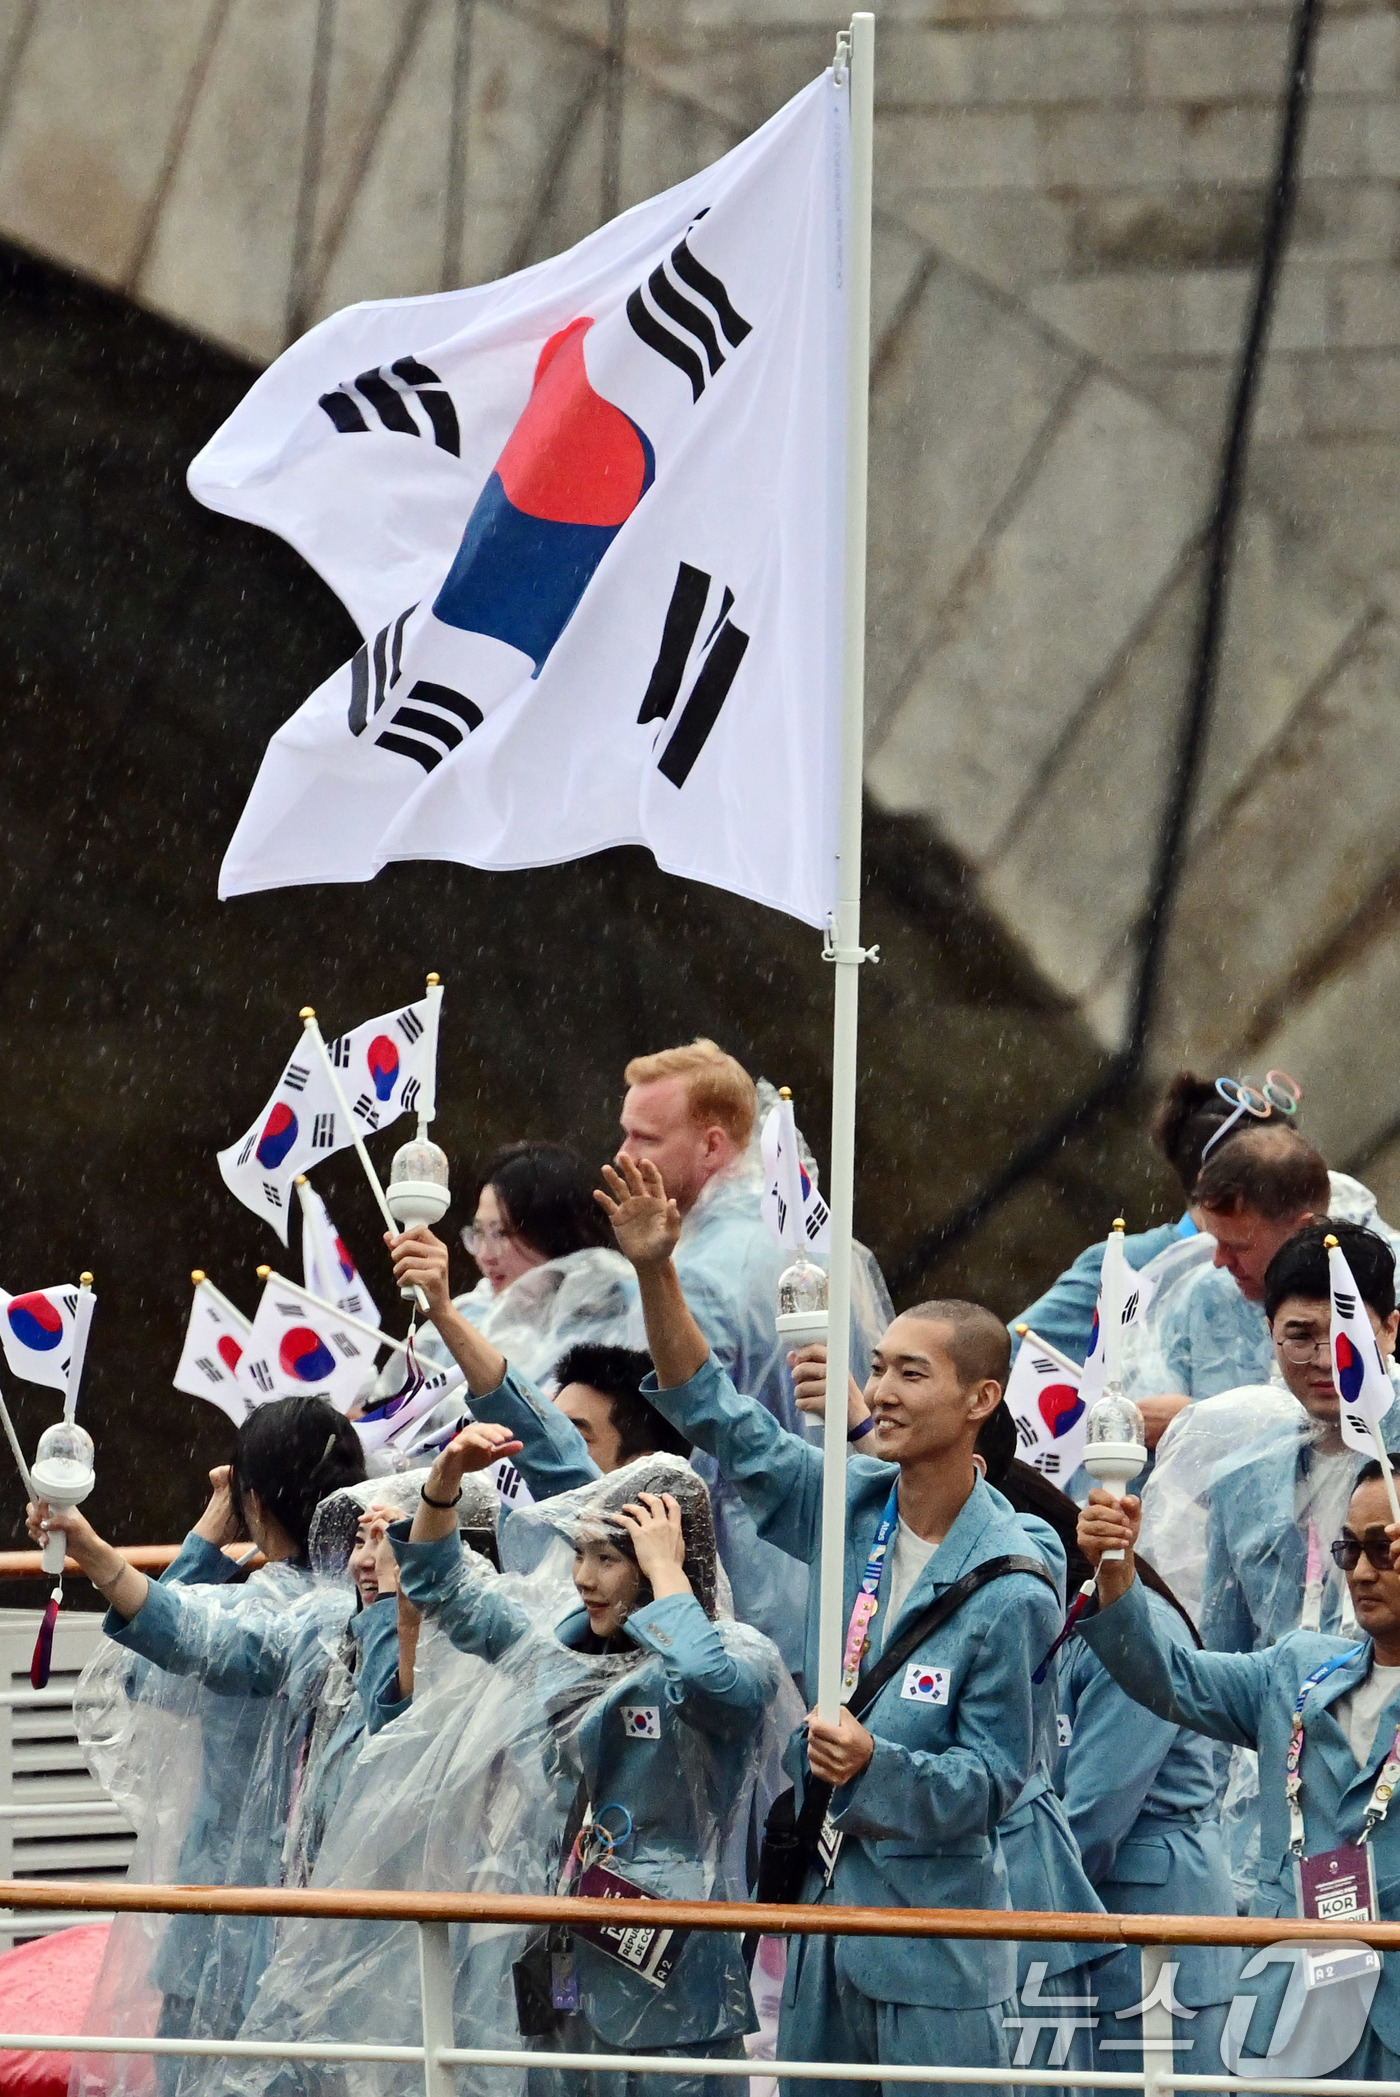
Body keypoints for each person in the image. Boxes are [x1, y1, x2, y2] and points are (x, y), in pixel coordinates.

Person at [597, 1153, 1061, 2097]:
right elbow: (720, 1415)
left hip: (934, 1950)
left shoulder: (1014, 1577)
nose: (879, 1390)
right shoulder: (852, 1506)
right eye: (878, 1365)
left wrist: (873, 1767)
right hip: (821, 1924)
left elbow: (992, 1785)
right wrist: (656, 1270)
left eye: (910, 1374)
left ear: (980, 1400)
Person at [390, 1428, 792, 2097]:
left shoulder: (735, 1650)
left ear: (664, 1556)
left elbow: (714, 1687)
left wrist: (667, 1571)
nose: (582, 1577)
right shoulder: (558, 1653)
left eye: (607, 1557)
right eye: (580, 1553)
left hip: (674, 1992)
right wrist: (444, 1482)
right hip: (564, 1971)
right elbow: (438, 1584)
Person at [61, 1397, 366, 2097]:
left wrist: (201, 1534)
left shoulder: (269, 1610)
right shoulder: (370, 1601)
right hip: (317, 1907)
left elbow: (152, 1666)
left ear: (252, 1499)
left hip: (227, 1905)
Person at [1079, 1461, 1400, 2082]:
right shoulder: (1297, 1669)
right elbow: (1166, 1677)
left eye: (1385, 1549)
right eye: (1350, 1549)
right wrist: (1116, 1570)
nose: (1362, 1571)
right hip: (1286, 2009)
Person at [617, 1041, 892, 1675]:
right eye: (625, 1133)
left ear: (712, 1146)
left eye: (645, 1138)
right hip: (847, 1574)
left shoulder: (691, 1270)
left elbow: (658, 1446)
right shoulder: (830, 1244)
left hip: (737, 1592)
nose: (623, 1155)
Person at [371, 1143, 636, 1448]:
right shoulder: (473, 1310)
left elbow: (545, 1437)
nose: (485, 1255)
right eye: (479, 1233)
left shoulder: (614, 1316)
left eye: (501, 1234)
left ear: (555, 1231)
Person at [1010, 1071, 1247, 1371]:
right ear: (1220, 1183)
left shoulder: (1301, 1254)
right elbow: (1005, 1359)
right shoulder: (1133, 1264)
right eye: (1277, 1171)